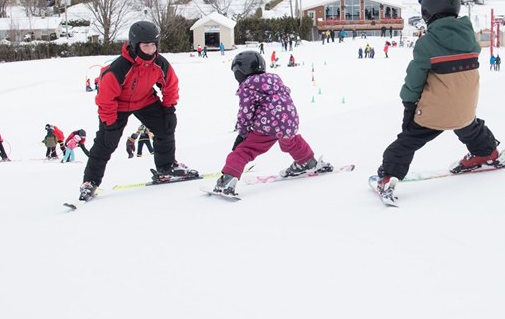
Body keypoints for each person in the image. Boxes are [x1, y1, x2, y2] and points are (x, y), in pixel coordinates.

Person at [374, 0, 504, 202]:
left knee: (408, 140)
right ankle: (486, 152)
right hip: (466, 109)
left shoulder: (427, 43)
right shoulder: (471, 38)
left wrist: (409, 106)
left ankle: (389, 175)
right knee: (469, 127)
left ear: (427, 12)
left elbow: (414, 80)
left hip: (435, 112)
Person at [77, 21, 199, 202]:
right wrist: (110, 126)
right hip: (117, 105)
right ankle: (90, 182)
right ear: (135, 45)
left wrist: (169, 109)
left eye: (153, 45)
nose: (150, 50)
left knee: (165, 128)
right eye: (145, 46)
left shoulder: (159, 63)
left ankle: (166, 168)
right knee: (105, 143)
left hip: (145, 100)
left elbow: (170, 85)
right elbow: (105, 100)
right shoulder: (118, 69)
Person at [211, 51, 333, 198]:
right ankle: (308, 162)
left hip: (266, 125)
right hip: (290, 120)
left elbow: (245, 112)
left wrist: (242, 134)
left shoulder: (247, 86)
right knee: (291, 142)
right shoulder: (274, 79)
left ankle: (227, 179)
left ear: (240, 71)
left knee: (245, 150)